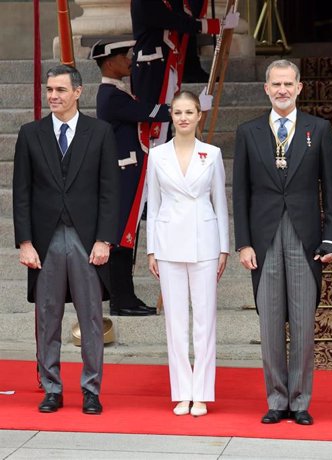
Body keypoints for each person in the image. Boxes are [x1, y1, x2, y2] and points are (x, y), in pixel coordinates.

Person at [232, 59, 332, 426]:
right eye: (275, 84)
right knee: (270, 325)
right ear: (266, 89)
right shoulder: (248, 132)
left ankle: (300, 400)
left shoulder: (318, 129)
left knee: (304, 325)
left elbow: (331, 187)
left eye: (288, 84)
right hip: (262, 240)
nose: (282, 90)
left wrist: (330, 239)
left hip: (305, 237)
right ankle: (276, 399)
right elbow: (241, 193)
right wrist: (243, 243)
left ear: (299, 88)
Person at [13, 64, 120, 414]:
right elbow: (22, 194)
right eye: (49, 90)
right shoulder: (31, 134)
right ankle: (52, 388)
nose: (53, 96)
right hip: (44, 242)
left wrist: (105, 239)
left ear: (78, 91)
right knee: (47, 316)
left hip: (87, 239)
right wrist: (25, 242)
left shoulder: (100, 132)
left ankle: (91, 389)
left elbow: (110, 191)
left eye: (60, 90)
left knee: (91, 317)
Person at [146, 91, 229, 417]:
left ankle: (202, 393)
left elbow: (220, 203)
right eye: (178, 112)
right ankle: (182, 391)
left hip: (205, 241)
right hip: (168, 242)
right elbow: (153, 205)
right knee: (175, 322)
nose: (183, 117)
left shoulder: (213, 153)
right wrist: (151, 248)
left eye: (189, 112)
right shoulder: (157, 155)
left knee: (204, 321)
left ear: (198, 116)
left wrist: (224, 246)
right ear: (171, 114)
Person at [91, 39, 172, 316]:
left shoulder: (118, 92)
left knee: (128, 237)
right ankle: (120, 300)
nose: (129, 61)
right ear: (110, 63)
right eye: (124, 57)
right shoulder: (111, 95)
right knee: (121, 237)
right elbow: (146, 113)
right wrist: (185, 109)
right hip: (123, 173)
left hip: (131, 171)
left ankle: (126, 297)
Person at [130, 0, 237, 149]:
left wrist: (220, 24)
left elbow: (184, 15)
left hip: (168, 63)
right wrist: (217, 25)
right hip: (151, 66)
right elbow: (172, 20)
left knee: (165, 125)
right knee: (155, 124)